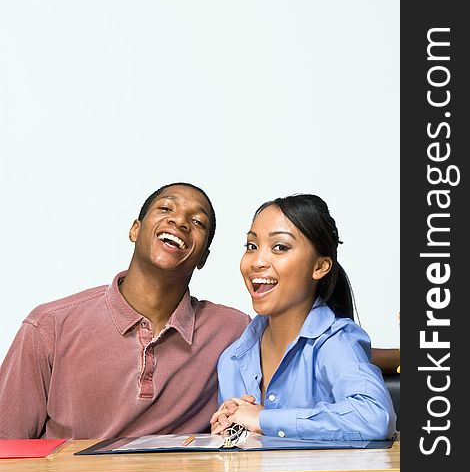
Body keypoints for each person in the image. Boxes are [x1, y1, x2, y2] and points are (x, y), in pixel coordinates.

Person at [0, 182, 250, 439]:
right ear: (135, 230)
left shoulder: (233, 330)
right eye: (166, 208)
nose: (180, 221)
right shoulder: (48, 326)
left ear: (203, 258)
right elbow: (5, 447)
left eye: (198, 222)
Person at [210, 194, 396, 441]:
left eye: (280, 247)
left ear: (319, 267)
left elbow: (374, 417)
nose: (257, 261)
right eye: (251, 246)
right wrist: (229, 429)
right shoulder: (233, 360)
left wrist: (262, 419)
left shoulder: (336, 342)